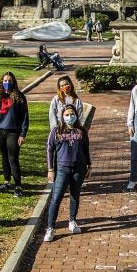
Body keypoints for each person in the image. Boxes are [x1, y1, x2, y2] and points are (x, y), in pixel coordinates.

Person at [44, 103, 91, 242]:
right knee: (56, 198)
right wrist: (50, 169)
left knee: (75, 195)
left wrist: (89, 165)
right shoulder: (56, 131)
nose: (69, 117)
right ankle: (51, 227)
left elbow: (86, 148)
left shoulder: (81, 131)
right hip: (62, 169)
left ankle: (72, 221)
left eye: (72, 114)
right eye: (66, 115)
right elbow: (49, 149)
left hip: (79, 168)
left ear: (76, 115)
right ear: (62, 116)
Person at [0, 71, 29, 198]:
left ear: (14, 82)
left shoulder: (19, 97)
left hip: (13, 132)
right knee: (4, 157)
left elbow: (25, 118)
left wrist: (23, 134)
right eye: (5, 81)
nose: (7, 83)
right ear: (1, 82)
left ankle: (18, 186)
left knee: (13, 158)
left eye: (10, 81)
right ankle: (7, 182)